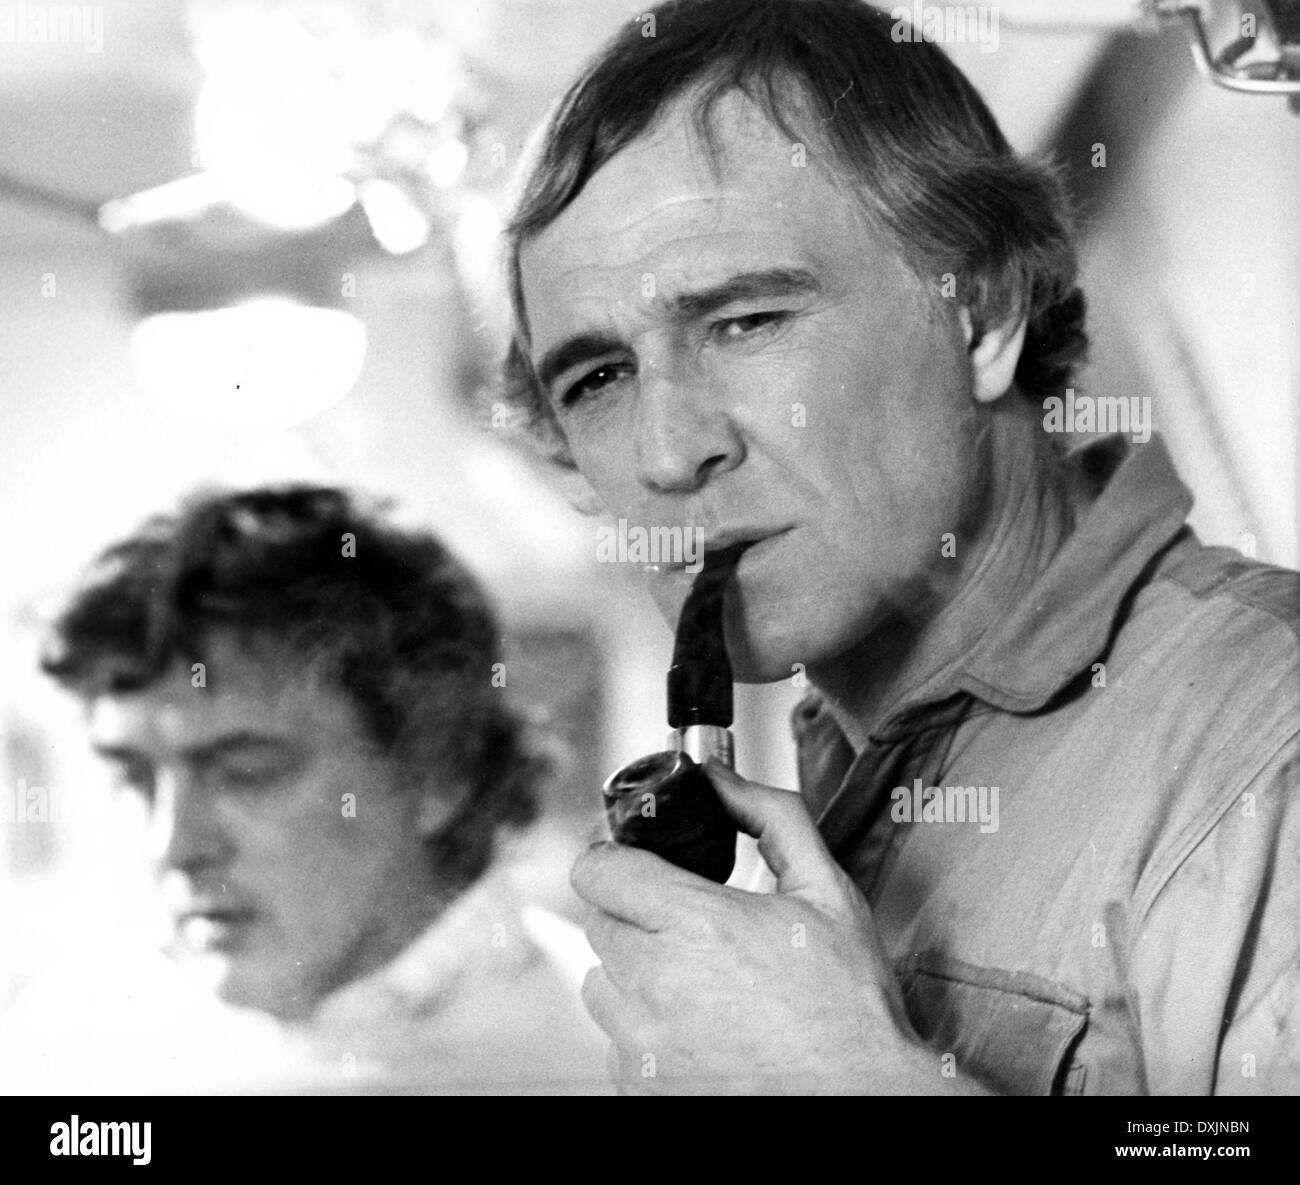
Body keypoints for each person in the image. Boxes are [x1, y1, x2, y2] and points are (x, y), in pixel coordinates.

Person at [498, 0, 1299, 1094]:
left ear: (984, 318)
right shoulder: (838, 764)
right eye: (598, 378)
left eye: (746, 322)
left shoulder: (1268, 746)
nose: (668, 452)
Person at [1, 485, 607, 1093]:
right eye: (134, 775)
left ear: (439, 772)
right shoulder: (74, 1038)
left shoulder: (618, 1051)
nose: (175, 846)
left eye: (245, 771)